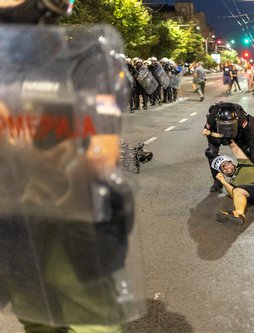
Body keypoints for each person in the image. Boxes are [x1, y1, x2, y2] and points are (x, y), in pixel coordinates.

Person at [0, 1, 146, 332]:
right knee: (37, 324)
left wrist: (17, 133)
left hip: (78, 242)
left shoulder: (88, 59)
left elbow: (100, 154)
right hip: (16, 241)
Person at [203, 102, 254, 192]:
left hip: (237, 133)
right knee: (210, 152)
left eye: (230, 125)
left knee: (249, 152)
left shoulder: (241, 118)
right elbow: (209, 135)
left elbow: (250, 136)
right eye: (224, 125)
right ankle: (217, 181)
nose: (227, 128)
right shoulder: (211, 118)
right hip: (218, 134)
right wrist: (214, 146)